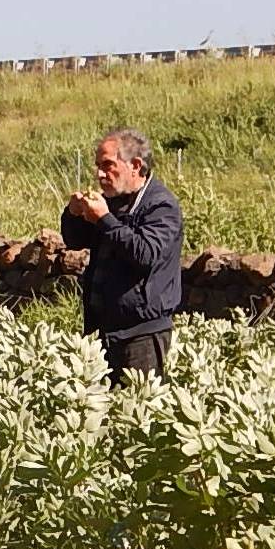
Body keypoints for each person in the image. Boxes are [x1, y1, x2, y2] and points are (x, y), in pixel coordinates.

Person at [61, 128, 183, 386]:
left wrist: (104, 219)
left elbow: (145, 254)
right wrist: (73, 214)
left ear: (135, 165)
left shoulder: (161, 206)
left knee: (138, 414)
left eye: (108, 165)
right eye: (97, 166)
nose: (100, 174)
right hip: (103, 331)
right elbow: (75, 241)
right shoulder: (112, 201)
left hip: (142, 336)